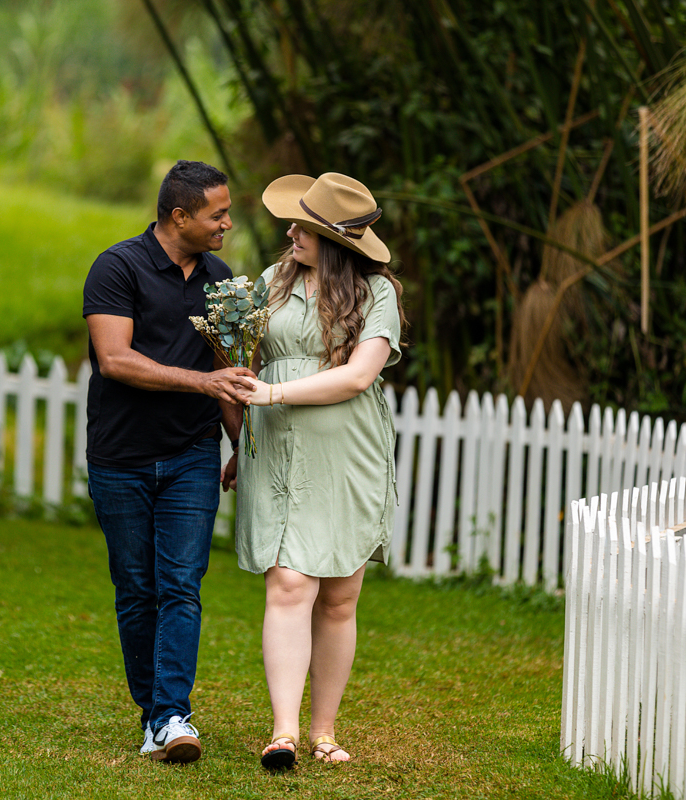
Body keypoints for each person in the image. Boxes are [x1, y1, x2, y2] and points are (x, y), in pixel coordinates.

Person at [83, 160, 254, 763]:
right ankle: (155, 711)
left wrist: (238, 444)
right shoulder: (117, 267)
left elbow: (227, 374)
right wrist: (201, 385)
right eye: (218, 214)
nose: (227, 223)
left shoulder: (222, 279)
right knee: (136, 589)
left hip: (191, 457)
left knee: (181, 584)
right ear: (179, 216)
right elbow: (115, 360)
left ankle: (172, 716)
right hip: (120, 458)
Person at [234, 172, 407, 768]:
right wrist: (242, 435)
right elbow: (244, 361)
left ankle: (324, 731)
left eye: (303, 225)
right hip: (278, 444)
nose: (289, 232)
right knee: (288, 581)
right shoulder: (273, 283)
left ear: (333, 239)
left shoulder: (375, 293)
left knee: (339, 594)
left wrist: (276, 396)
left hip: (346, 448)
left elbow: (360, 376)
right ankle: (282, 732)